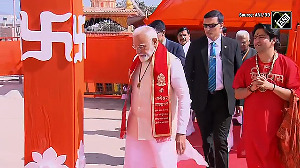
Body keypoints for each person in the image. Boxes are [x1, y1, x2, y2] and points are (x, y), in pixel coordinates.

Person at [121, 25, 207, 168]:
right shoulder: (137, 61)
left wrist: (181, 131)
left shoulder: (171, 62)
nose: (138, 51)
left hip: (161, 132)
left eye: (142, 46)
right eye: (135, 47)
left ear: (155, 42)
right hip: (136, 129)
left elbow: (184, 97)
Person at [233, 23, 300, 168]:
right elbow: (237, 93)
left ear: (273, 40)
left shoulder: (287, 64)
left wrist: (272, 87)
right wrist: (251, 88)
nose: (256, 41)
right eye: (255, 37)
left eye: (261, 37)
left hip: (279, 130)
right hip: (253, 130)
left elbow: (295, 96)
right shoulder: (247, 65)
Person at [185, 10, 242, 168]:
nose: (208, 29)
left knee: (220, 140)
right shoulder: (197, 46)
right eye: (205, 26)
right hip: (203, 99)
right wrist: (190, 100)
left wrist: (240, 101)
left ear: (221, 26)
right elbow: (188, 74)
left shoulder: (232, 45)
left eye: (212, 25)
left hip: (224, 99)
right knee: (207, 140)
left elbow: (239, 74)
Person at [177, 27, 195, 136]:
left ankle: (190, 126)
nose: (183, 37)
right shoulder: (176, 48)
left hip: (191, 81)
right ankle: (187, 126)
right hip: (180, 80)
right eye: (180, 35)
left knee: (190, 105)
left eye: (184, 35)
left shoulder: (193, 48)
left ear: (189, 36)